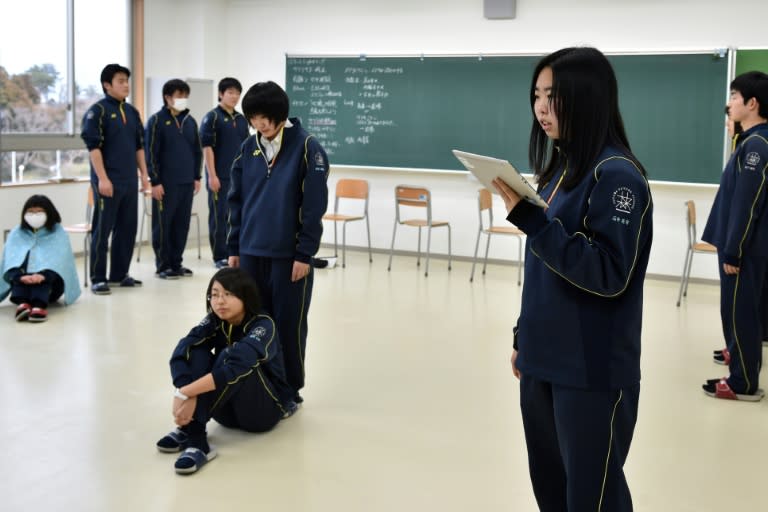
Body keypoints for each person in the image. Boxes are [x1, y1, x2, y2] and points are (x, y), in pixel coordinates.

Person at [492, 47, 653, 512]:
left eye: (554, 96)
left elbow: (608, 273)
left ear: (588, 98)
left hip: (590, 369)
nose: (541, 107)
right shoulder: (560, 169)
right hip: (544, 359)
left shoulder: (617, 176)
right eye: (537, 95)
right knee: (552, 487)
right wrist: (526, 335)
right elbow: (544, 269)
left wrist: (535, 223)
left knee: (593, 497)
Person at [227, 81, 329, 404]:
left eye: (265, 117)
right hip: (250, 252)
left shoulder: (307, 147)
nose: (259, 124)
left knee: (289, 324)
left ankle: (290, 390)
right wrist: (233, 248)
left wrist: (305, 253)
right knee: (256, 323)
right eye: (253, 117)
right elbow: (236, 201)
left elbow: (314, 207)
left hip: (289, 258)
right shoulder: (248, 148)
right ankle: (262, 383)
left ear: (280, 114)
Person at [155, 267, 297, 475]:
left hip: (261, 413)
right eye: (215, 295)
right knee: (196, 351)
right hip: (226, 413)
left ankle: (195, 436)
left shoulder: (264, 324)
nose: (220, 301)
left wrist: (186, 394)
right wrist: (183, 388)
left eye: (228, 294)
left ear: (245, 296)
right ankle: (194, 429)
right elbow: (183, 348)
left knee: (234, 357)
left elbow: (237, 364)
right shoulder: (215, 320)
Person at [701, 71, 768, 401]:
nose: (729, 105)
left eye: (734, 98)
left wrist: (734, 251)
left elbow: (747, 204)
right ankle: (742, 367)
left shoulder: (757, 145)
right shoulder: (753, 141)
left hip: (744, 250)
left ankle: (743, 382)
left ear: (752, 103)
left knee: (739, 312)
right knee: (740, 311)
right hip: (743, 247)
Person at [80, 63, 150, 295]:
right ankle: (98, 277)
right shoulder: (97, 111)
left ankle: (120, 274)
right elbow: (94, 148)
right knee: (103, 230)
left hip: (130, 181)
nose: (126, 85)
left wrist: (145, 176)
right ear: (107, 85)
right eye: (120, 81)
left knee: (127, 228)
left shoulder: (132, 112)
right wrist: (102, 179)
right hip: (107, 182)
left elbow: (139, 147)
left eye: (127, 80)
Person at [145, 79, 203, 279]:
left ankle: (176, 263)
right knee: (163, 225)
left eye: (185, 96)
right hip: (165, 184)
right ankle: (163, 266)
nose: (183, 99)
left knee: (181, 225)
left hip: (187, 183)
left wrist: (197, 176)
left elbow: (197, 151)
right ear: (167, 97)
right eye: (179, 96)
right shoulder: (156, 121)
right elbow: (150, 153)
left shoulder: (190, 121)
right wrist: (155, 181)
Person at [1, 195, 81, 321]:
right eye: (30, 212)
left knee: (41, 283)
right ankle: (23, 304)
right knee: (20, 280)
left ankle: (39, 306)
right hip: (23, 281)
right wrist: (20, 276)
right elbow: (10, 262)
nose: (34, 215)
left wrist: (43, 276)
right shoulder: (17, 232)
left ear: (49, 213)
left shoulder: (58, 233)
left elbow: (61, 262)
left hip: (50, 283)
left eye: (39, 212)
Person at [200, 78, 250, 269]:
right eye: (230, 92)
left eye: (237, 93)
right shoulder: (212, 117)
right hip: (219, 177)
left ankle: (233, 253)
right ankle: (219, 255)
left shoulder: (241, 119)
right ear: (221, 94)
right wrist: (212, 175)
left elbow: (246, 148)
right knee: (219, 216)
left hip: (239, 178)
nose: (234, 96)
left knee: (237, 216)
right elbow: (207, 148)